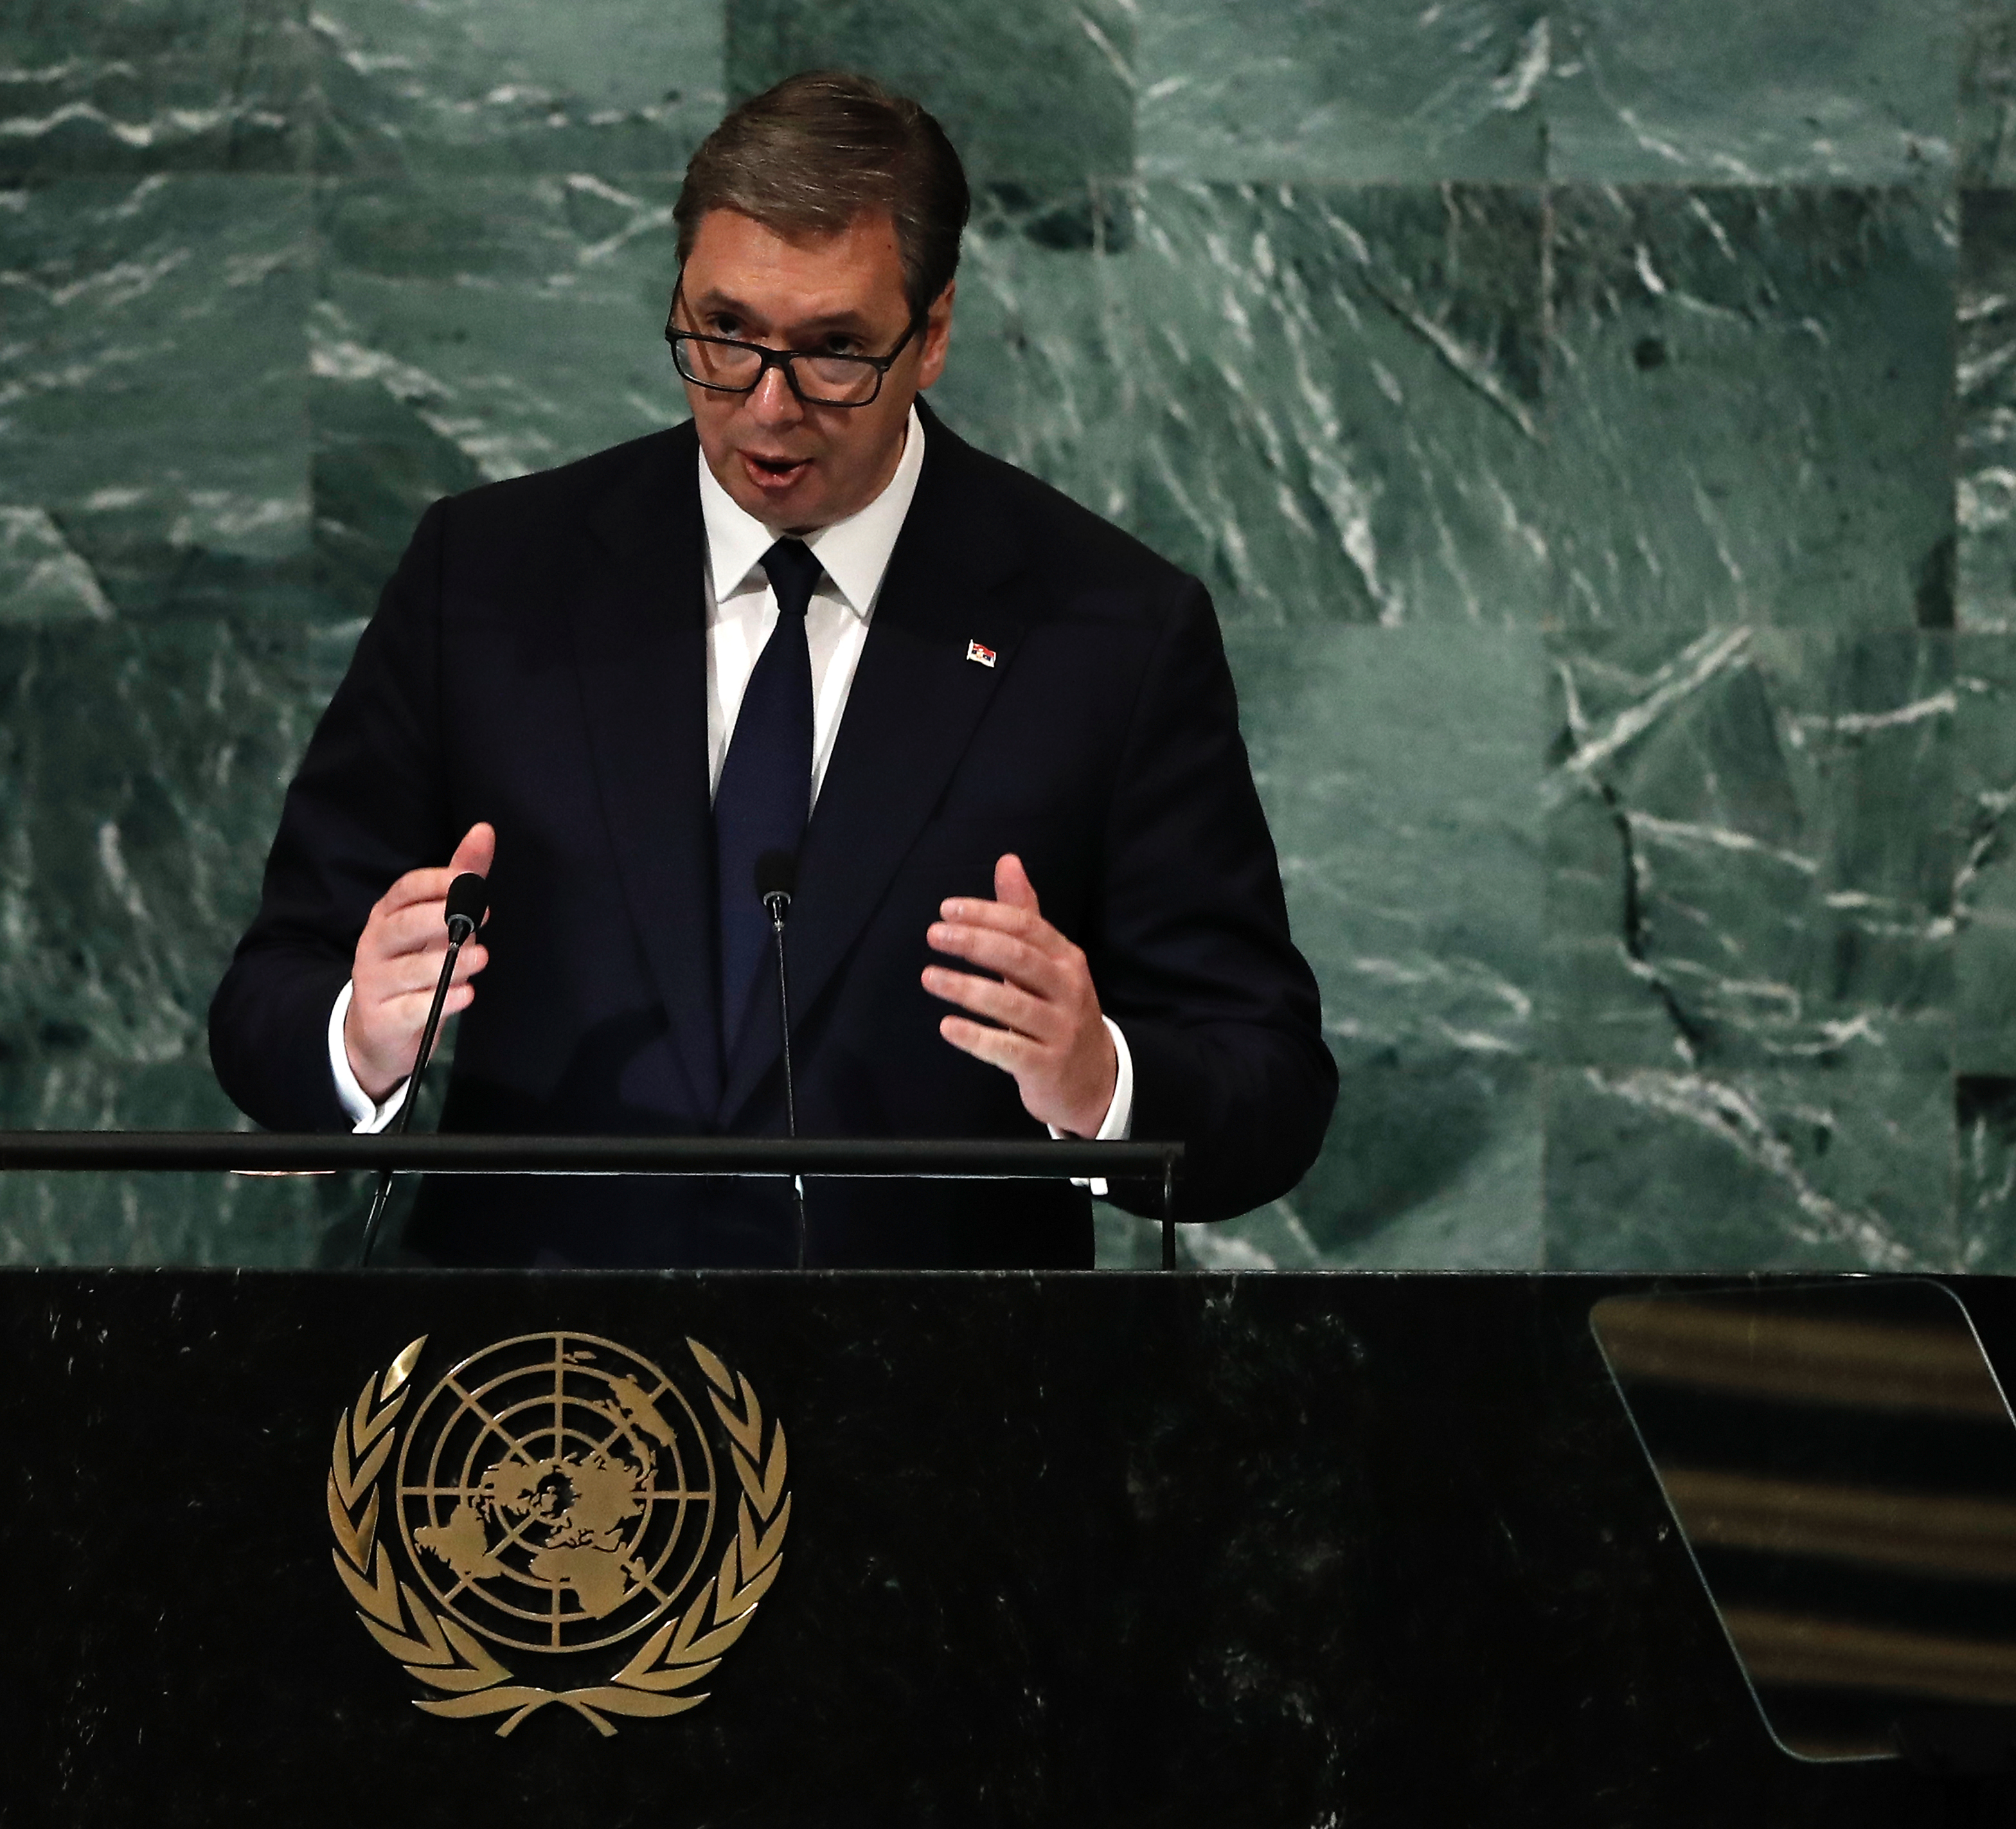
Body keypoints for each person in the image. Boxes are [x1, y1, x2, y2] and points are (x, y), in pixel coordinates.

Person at [208, 70, 1335, 1267]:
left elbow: (1264, 1083)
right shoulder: (487, 579)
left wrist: (1099, 1077)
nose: (767, 407)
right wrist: (359, 1036)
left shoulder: (1108, 629)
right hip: (549, 1390)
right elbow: (272, 989)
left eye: (835, 350)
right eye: (724, 334)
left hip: (938, 1403)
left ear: (934, 333)